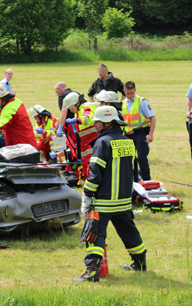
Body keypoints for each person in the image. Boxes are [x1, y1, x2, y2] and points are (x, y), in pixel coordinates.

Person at [73, 106, 147, 282]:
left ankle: (92, 272)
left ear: (106, 123)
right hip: (124, 201)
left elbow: (94, 173)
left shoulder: (102, 142)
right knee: (129, 231)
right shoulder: (128, 141)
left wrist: (87, 197)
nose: (94, 124)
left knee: (94, 234)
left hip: (104, 202)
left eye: (97, 121)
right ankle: (140, 263)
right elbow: (132, 171)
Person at [57, 92, 98, 180]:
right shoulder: (78, 112)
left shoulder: (85, 107)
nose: (71, 111)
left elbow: (89, 118)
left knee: (89, 162)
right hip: (85, 142)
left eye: (71, 108)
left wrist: (76, 120)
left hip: (90, 142)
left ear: (77, 103)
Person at [122, 81, 156, 181]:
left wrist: (151, 135)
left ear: (135, 91)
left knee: (142, 158)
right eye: (128, 93)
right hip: (128, 135)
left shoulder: (142, 102)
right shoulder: (123, 103)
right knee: (130, 159)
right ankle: (134, 180)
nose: (130, 95)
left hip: (139, 133)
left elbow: (152, 118)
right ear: (124, 91)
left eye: (132, 93)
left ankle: (147, 180)